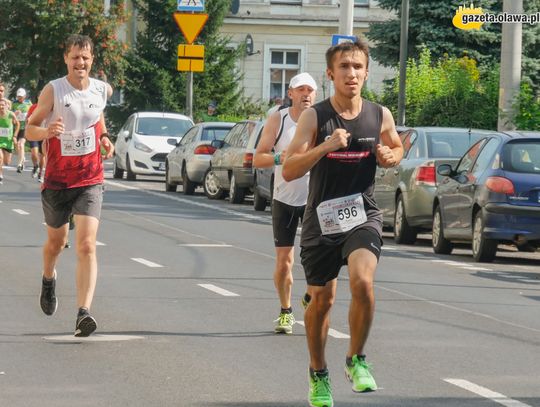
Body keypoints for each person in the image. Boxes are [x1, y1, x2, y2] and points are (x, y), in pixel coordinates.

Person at [282, 38, 404, 407]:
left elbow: (397, 147)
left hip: (362, 214)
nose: (351, 73)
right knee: (321, 301)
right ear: (331, 73)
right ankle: (318, 373)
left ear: (366, 72)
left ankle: (356, 358)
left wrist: (389, 154)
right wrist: (325, 147)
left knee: (363, 283)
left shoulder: (379, 114)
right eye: (344, 67)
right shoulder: (315, 117)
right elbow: (288, 169)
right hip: (322, 220)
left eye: (357, 66)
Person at [26, 34, 114, 337]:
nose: (81, 63)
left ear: (92, 61)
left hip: (90, 178)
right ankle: (48, 279)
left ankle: (83, 313)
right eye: (75, 57)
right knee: (55, 243)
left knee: (87, 244)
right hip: (57, 181)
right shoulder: (54, 90)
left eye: (86, 58)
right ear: (66, 58)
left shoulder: (101, 89)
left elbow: (97, 119)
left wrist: (104, 139)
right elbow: (30, 128)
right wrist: (47, 130)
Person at [253, 72, 317, 334]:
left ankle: (311, 296)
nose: (306, 95)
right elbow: (258, 158)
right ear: (290, 93)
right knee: (285, 261)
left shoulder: (320, 118)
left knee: (319, 260)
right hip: (285, 198)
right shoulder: (278, 119)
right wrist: (283, 158)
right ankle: (286, 310)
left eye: (310, 91)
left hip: (315, 200)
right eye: (300, 90)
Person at [12, 88, 32, 173]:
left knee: (21, 144)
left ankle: (20, 165)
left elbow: (33, 112)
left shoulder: (28, 103)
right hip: (16, 127)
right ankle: (22, 157)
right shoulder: (14, 103)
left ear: (24, 96)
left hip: (25, 127)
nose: (19, 98)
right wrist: (15, 114)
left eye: (21, 96)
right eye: (18, 96)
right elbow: (11, 115)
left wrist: (30, 117)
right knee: (16, 145)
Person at [0, 99, 20, 183]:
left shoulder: (10, 115)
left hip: (8, 142)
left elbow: (18, 124)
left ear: (6, 106)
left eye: (2, 105)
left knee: (7, 162)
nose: (1, 107)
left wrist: (15, 135)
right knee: (0, 157)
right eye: (0, 105)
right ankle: (0, 174)